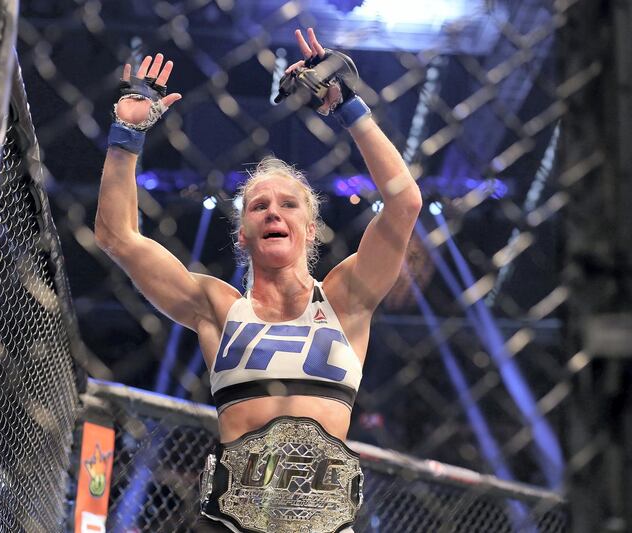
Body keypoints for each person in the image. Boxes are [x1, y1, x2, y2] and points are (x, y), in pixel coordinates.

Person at [95, 27, 422, 533]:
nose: (273, 211)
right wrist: (126, 134)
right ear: (243, 234)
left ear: (309, 229)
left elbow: (404, 204)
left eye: (288, 204)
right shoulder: (217, 307)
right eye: (259, 205)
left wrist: (349, 109)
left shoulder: (345, 299)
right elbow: (118, 236)